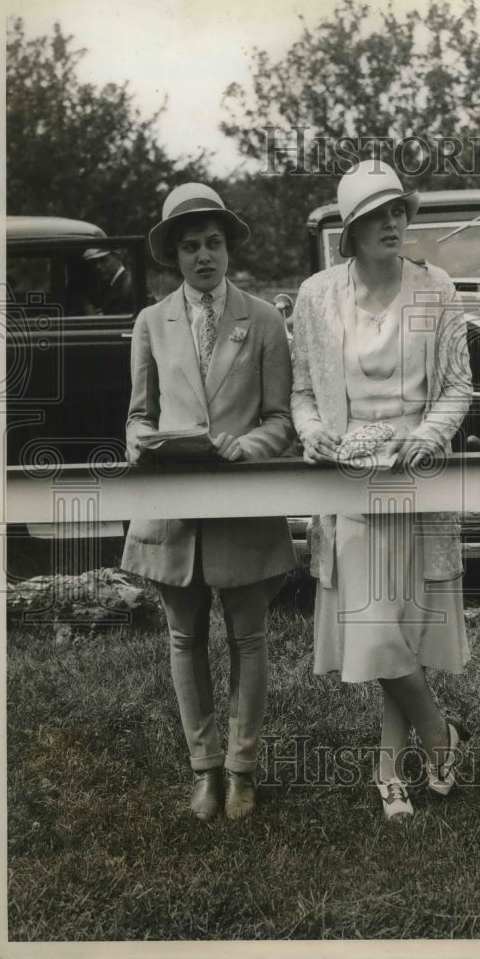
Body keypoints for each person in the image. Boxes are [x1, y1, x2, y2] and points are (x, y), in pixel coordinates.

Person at [291, 159, 473, 820]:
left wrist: (426, 436)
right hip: (348, 480)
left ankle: (389, 772)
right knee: (375, 630)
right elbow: (303, 394)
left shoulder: (436, 289)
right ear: (352, 229)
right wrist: (312, 433)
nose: (392, 223)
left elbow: (458, 385)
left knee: (404, 627)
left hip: (415, 475)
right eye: (376, 215)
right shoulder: (316, 295)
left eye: (398, 210)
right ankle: (438, 734)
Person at [121, 183, 296, 822]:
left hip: (242, 500)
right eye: (191, 245)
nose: (204, 256)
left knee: (249, 638)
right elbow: (138, 417)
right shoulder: (150, 321)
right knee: (182, 635)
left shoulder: (266, 319)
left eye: (214, 243)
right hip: (174, 506)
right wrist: (144, 441)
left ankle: (242, 770)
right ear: (173, 255)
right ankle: (203, 770)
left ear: (228, 250)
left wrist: (246, 447)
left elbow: (281, 420)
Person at [81, 247, 134, 314]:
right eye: (95, 262)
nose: (98, 267)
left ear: (117, 257)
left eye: (103, 260)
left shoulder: (128, 284)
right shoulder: (107, 284)